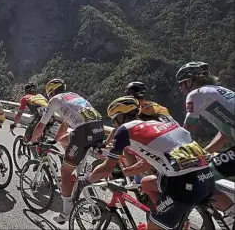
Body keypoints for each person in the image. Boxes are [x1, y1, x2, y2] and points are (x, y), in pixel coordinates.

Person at [87, 96, 215, 230]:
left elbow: (106, 169)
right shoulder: (158, 124)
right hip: (206, 177)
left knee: (155, 226)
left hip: (183, 185)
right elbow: (147, 163)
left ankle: (168, 218)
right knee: (146, 183)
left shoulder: (125, 130)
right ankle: (169, 216)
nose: (114, 125)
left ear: (120, 117)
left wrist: (86, 180)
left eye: (114, 120)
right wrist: (124, 172)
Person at [29, 78, 105, 224]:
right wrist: (57, 140)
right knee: (65, 140)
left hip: (83, 131)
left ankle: (65, 213)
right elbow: (65, 122)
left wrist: (32, 140)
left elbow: (41, 125)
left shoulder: (54, 100)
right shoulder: (74, 96)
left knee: (65, 172)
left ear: (51, 92)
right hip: (99, 127)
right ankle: (74, 161)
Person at [177, 61, 235, 223]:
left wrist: (178, 155)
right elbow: (224, 134)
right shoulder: (220, 91)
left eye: (181, 84)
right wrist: (204, 152)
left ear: (190, 81)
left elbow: (186, 132)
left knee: (199, 177)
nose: (180, 88)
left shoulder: (196, 94)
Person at [10, 82, 52, 157]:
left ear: (26, 91)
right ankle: (44, 151)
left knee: (29, 138)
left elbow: (19, 114)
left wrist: (14, 124)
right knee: (40, 137)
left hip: (40, 117)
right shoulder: (41, 96)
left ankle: (36, 160)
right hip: (51, 117)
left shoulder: (25, 98)